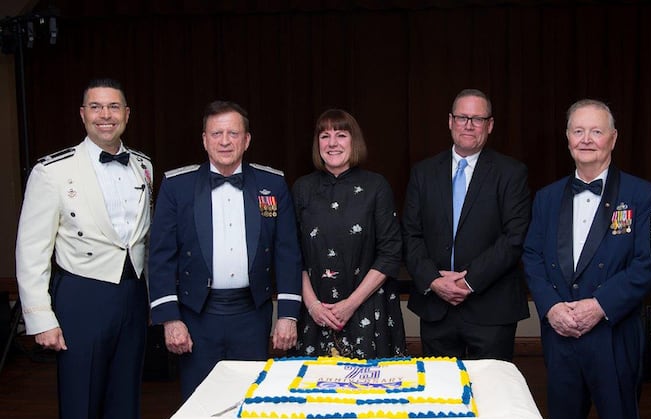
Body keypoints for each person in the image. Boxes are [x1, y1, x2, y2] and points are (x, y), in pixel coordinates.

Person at [15, 78, 153, 419]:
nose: (105, 115)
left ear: (126, 114)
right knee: (79, 407)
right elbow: (31, 251)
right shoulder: (52, 171)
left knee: (125, 404)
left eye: (113, 107)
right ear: (82, 114)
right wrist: (40, 318)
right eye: (95, 107)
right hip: (81, 297)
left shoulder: (143, 165)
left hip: (133, 295)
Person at [522, 99, 651, 419]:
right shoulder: (546, 197)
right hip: (560, 331)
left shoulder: (644, 196)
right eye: (578, 131)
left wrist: (599, 306)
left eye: (596, 131)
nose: (586, 139)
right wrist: (551, 308)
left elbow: (646, 264)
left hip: (614, 333)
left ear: (613, 138)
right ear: (567, 138)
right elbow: (532, 256)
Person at [148, 100, 302, 399]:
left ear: (246, 140)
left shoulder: (273, 183)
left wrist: (288, 315)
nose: (225, 141)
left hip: (252, 313)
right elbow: (160, 256)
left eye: (233, 133)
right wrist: (170, 318)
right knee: (200, 402)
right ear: (204, 140)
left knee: (249, 401)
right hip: (196, 315)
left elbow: (287, 253)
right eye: (216, 133)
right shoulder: (177, 185)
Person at [402, 88, 531, 361]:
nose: (469, 125)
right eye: (462, 117)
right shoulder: (423, 173)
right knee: (442, 396)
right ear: (450, 121)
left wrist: (468, 281)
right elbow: (410, 235)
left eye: (477, 119)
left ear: (490, 125)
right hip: (436, 309)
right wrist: (434, 281)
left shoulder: (511, 173)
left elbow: (514, 237)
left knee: (491, 397)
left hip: (492, 309)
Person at [291, 109, 406, 358]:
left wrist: (350, 304)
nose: (332, 143)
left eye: (341, 135)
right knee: (315, 394)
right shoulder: (302, 189)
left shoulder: (376, 186)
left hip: (367, 309)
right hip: (316, 312)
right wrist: (312, 306)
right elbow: (292, 254)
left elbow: (390, 253)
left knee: (370, 392)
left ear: (354, 141)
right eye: (325, 136)